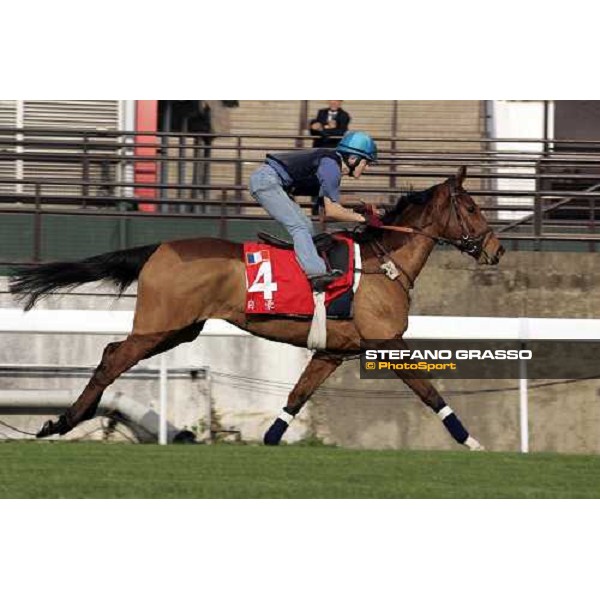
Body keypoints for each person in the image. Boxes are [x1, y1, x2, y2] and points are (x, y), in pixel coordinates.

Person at [249, 131, 383, 292]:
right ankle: (317, 274)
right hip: (267, 181)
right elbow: (332, 210)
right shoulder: (331, 167)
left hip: (271, 181)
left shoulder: (331, 166)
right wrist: (362, 218)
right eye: (367, 162)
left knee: (307, 226)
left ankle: (304, 265)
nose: (367, 168)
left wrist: (361, 205)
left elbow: (327, 210)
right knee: (299, 226)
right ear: (353, 159)